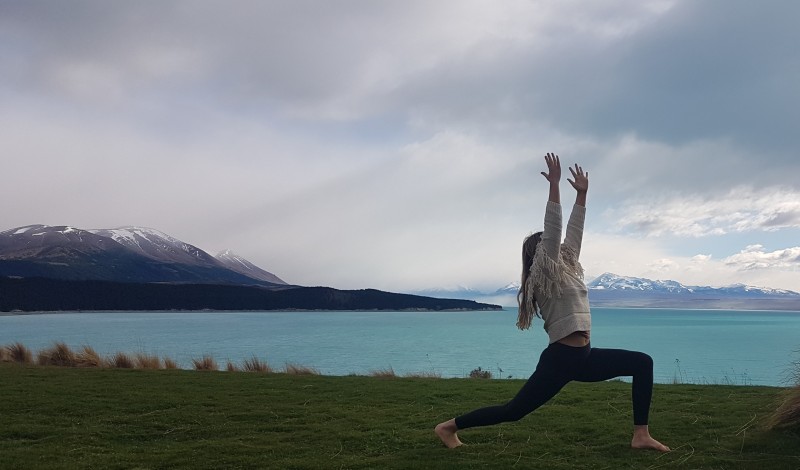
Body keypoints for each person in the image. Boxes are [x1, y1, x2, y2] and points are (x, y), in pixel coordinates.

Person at [434, 153, 670, 452]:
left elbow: (572, 235)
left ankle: (641, 435)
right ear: (540, 253)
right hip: (561, 360)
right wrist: (554, 186)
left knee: (642, 362)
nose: (557, 245)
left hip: (583, 356)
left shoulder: (567, 268)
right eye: (550, 243)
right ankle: (448, 427)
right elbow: (555, 225)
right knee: (514, 411)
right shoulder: (544, 272)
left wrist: (582, 195)